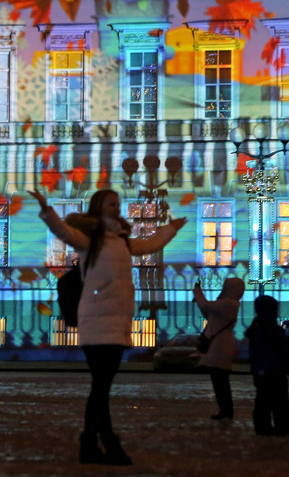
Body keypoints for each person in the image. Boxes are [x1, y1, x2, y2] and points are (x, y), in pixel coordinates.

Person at [30, 188, 186, 465]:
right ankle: (106, 445)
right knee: (101, 388)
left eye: (117, 203)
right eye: (111, 203)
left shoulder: (123, 241)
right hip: (96, 321)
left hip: (118, 320)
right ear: (99, 206)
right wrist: (47, 210)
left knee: (101, 388)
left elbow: (149, 245)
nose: (116, 207)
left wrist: (170, 229)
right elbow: (65, 233)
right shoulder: (91, 240)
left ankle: (91, 446)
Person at [192, 276, 245, 420]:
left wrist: (197, 291)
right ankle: (225, 410)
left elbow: (205, 306)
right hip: (218, 344)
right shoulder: (227, 304)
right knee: (219, 380)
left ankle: (226, 410)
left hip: (220, 345)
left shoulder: (229, 304)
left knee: (220, 380)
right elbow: (208, 312)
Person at [244, 295, 289, 436]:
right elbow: (284, 351)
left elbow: (253, 354)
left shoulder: (256, 329)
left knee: (263, 402)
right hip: (276, 372)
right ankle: (282, 428)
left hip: (261, 372)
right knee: (280, 403)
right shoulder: (273, 330)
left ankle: (263, 427)